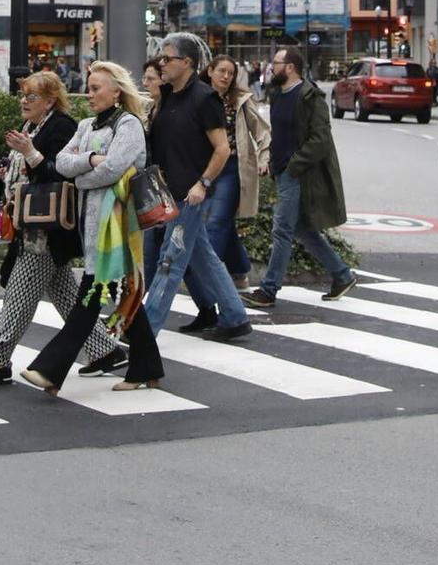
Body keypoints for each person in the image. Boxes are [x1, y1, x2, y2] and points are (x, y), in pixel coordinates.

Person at [0, 71, 123, 386]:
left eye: (32, 96)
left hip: (47, 230)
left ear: (50, 100)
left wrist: (28, 155)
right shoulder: (33, 126)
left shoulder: (62, 126)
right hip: (33, 224)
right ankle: (105, 350)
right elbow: (27, 171)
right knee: (65, 293)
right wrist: (6, 173)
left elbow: (60, 173)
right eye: (23, 95)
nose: (24, 101)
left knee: (18, 294)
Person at [20, 62, 164, 394]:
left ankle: (50, 370)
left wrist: (83, 171)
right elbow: (61, 162)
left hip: (117, 226)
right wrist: (89, 161)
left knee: (91, 296)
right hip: (93, 226)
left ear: (116, 91)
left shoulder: (128, 125)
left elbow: (113, 168)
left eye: (97, 87)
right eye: (89, 86)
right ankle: (147, 367)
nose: (90, 93)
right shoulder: (86, 125)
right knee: (121, 294)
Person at [141, 32, 252, 340]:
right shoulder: (168, 97)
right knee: (203, 256)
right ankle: (235, 316)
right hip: (168, 192)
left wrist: (202, 184)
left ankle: (145, 332)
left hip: (190, 194)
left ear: (186, 62)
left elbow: (222, 149)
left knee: (170, 260)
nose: (161, 63)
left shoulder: (204, 98)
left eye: (167, 58)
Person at [244, 45, 357, 305]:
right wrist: (272, 159)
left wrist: (294, 164)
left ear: (291, 67)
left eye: (277, 63)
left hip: (298, 173)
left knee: (282, 229)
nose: (272, 67)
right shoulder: (277, 93)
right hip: (283, 171)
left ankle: (269, 290)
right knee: (302, 229)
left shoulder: (309, 96)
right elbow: (279, 134)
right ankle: (341, 274)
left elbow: (321, 139)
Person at [187, 55, 268, 308]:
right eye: (221, 71)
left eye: (230, 73)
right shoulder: (196, 97)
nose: (225, 76)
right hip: (203, 167)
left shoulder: (240, 101)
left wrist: (264, 157)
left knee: (217, 221)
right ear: (209, 71)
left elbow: (262, 131)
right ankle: (240, 270)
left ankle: (208, 281)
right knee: (220, 223)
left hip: (231, 166)